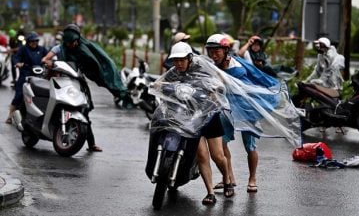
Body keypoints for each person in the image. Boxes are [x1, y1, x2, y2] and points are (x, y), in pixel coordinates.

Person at [204, 34, 302, 193]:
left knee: (250, 146)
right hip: (226, 108)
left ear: (225, 51)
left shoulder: (236, 67)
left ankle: (252, 178)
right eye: (211, 52)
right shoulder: (214, 65)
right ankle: (228, 177)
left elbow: (224, 82)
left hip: (246, 109)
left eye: (217, 51)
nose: (214, 55)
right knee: (221, 143)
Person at [150, 41, 234, 205]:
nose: (178, 64)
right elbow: (161, 82)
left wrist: (213, 91)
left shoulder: (202, 67)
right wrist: (156, 85)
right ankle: (210, 192)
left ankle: (227, 179)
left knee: (217, 156)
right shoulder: (174, 71)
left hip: (209, 114)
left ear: (189, 58)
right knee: (202, 155)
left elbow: (219, 83)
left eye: (182, 60)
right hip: (189, 118)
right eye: (175, 60)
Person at [41, 24, 132, 152]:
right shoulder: (59, 49)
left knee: (83, 111)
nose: (71, 45)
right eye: (68, 43)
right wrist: (48, 62)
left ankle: (91, 144)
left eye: (73, 42)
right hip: (60, 82)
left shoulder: (87, 49)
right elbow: (45, 58)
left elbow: (101, 63)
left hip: (76, 83)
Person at [5, 32, 48, 124]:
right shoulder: (23, 49)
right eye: (32, 41)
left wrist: (49, 61)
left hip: (39, 76)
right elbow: (16, 58)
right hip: (25, 74)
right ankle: (10, 115)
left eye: (36, 41)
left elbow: (49, 56)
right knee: (19, 95)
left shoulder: (42, 49)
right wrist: (18, 63)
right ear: (28, 41)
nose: (34, 43)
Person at [292, 37, 344, 107]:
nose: (317, 46)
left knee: (313, 84)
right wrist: (307, 80)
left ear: (324, 45)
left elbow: (328, 71)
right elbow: (316, 71)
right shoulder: (320, 55)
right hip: (324, 82)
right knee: (306, 87)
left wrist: (320, 81)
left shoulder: (333, 56)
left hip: (333, 85)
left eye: (320, 45)